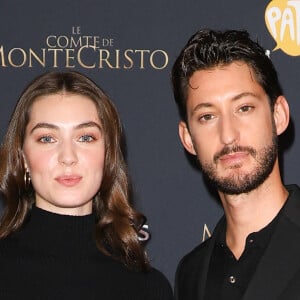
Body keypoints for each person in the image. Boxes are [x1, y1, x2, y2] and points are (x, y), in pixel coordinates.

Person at [0, 71, 173, 299]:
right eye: (47, 138)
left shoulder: (148, 286)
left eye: (85, 138)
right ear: (23, 158)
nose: (68, 156)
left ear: (108, 154)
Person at [171, 29, 300, 300]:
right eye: (207, 116)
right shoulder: (190, 274)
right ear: (188, 138)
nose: (228, 135)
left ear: (279, 116)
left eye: (244, 108)